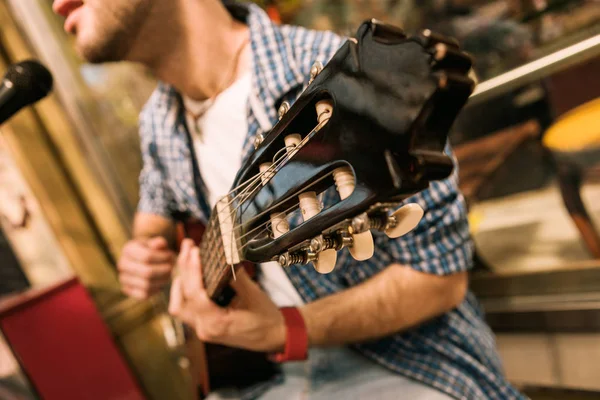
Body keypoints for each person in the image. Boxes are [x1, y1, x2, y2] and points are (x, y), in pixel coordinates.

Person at [52, 0, 525, 399]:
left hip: (404, 360)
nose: (55, 4)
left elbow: (441, 279)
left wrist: (286, 328)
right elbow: (153, 214)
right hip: (256, 376)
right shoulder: (158, 121)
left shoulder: (336, 76)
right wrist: (145, 253)